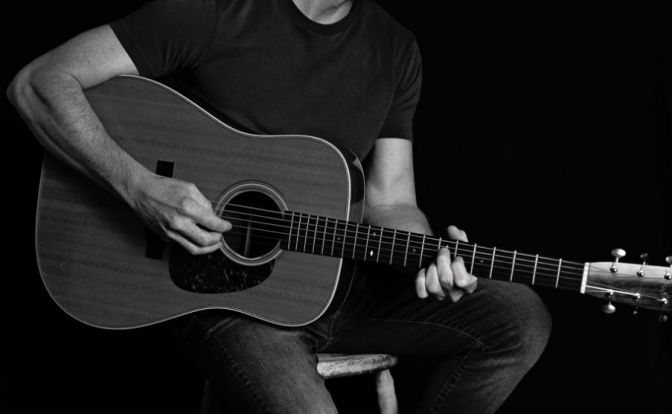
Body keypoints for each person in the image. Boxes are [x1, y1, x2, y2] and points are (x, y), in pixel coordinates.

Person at [7, 0, 551, 412]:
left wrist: (429, 256)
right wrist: (138, 187)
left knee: (520, 319)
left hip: (342, 288)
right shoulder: (214, 11)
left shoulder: (396, 49)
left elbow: (390, 201)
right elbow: (38, 83)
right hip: (228, 302)